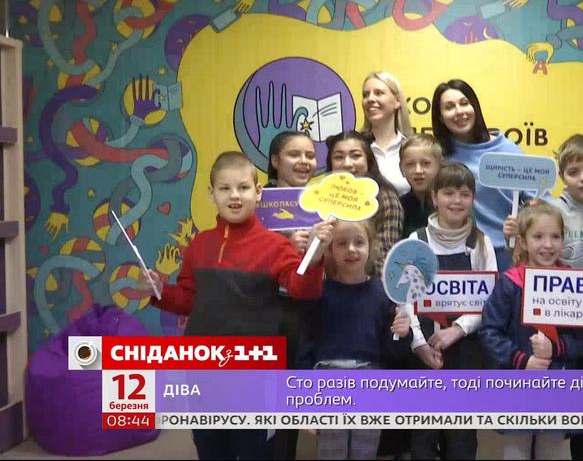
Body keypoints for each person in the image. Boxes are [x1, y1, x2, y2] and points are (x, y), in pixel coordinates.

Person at [139, 151, 330, 460]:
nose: (234, 196)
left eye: (243, 187)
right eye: (225, 188)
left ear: (258, 191)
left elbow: (302, 290)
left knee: (257, 450)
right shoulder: (199, 245)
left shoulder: (275, 246)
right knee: (211, 448)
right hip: (203, 370)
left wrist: (316, 258)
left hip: (255, 374)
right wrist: (160, 291)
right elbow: (189, 300)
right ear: (211, 193)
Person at [504, 134, 583, 460]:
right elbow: (525, 257)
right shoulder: (550, 211)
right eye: (574, 172)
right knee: (550, 421)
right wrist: (512, 237)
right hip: (552, 332)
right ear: (562, 176)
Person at [481, 201, 583, 460]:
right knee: (516, 450)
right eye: (538, 237)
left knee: (552, 449)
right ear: (522, 242)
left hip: (560, 382)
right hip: (517, 382)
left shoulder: (576, 282)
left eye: (555, 236)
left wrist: (557, 348)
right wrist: (522, 360)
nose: (547, 244)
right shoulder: (510, 284)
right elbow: (490, 331)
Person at [298, 219, 412, 460]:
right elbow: (306, 343)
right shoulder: (319, 292)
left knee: (365, 451)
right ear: (330, 250)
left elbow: (392, 352)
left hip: (370, 380)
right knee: (331, 451)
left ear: (371, 247)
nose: (351, 249)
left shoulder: (382, 294)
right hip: (327, 380)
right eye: (342, 243)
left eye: (358, 242)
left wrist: (403, 334)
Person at [408, 162, 497, 460]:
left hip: (466, 351)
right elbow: (404, 299)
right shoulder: (416, 241)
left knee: (461, 435)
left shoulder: (481, 243)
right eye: (448, 193)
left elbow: (489, 299)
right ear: (434, 197)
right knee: (423, 435)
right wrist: (419, 343)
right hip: (424, 351)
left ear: (473, 199)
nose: (456, 201)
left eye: (464, 194)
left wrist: (457, 329)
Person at [265, 130, 331, 460]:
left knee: (296, 393)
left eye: (310, 155)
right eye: (295, 154)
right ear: (275, 161)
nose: (304, 162)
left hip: (309, 309)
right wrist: (285, 247)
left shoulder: (324, 205)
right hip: (267, 310)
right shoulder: (257, 203)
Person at [431, 79, 525, 271]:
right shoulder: (439, 155)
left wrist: (522, 223)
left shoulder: (506, 149)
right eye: (449, 107)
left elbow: (538, 201)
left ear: (475, 106)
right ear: (440, 117)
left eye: (464, 103)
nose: (459, 111)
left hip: (506, 252)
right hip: (459, 253)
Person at [325, 130, 404, 273]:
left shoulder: (385, 198)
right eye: (339, 157)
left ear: (368, 160)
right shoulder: (322, 199)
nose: (347, 164)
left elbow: (384, 257)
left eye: (355, 156)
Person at [361, 71, 413, 195]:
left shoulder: (411, 147)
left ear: (397, 101)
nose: (370, 99)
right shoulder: (355, 147)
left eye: (379, 93)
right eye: (366, 95)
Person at [398, 133, 443, 236]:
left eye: (426, 163)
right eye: (410, 164)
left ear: (440, 165)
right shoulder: (399, 206)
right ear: (401, 169)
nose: (418, 171)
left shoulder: (451, 203)